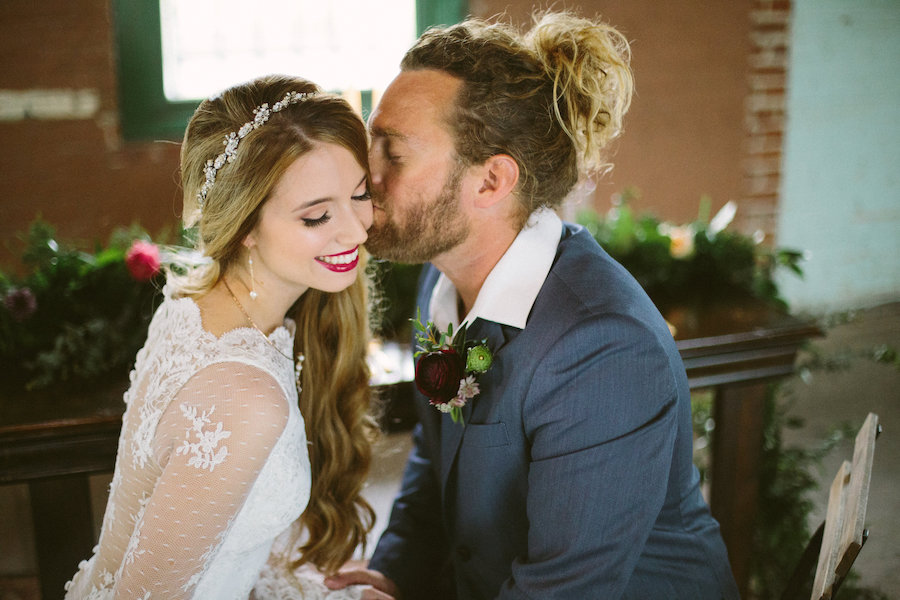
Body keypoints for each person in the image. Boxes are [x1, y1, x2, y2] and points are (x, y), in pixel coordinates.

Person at [325, 12, 740, 600]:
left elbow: (564, 590)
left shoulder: (603, 347)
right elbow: (436, 458)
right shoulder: (442, 282)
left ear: (491, 181)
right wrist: (393, 574)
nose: (364, 175)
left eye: (392, 153)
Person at [65, 74, 382, 599]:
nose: (356, 229)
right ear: (246, 225)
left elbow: (224, 543)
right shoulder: (244, 395)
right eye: (318, 215)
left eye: (360, 194)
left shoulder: (197, 305)